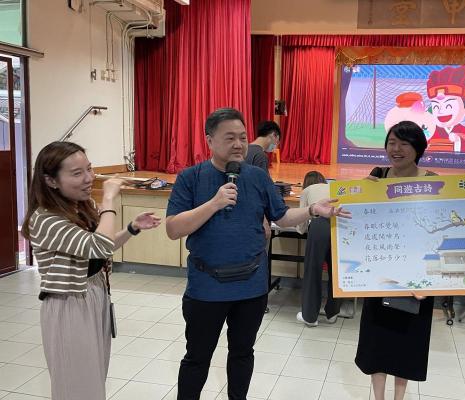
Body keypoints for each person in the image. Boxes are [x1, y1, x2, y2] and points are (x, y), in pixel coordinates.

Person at [165, 108, 350, 400]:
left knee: (242, 353)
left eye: (242, 137)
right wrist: (213, 203)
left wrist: (313, 209)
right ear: (209, 140)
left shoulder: (257, 177)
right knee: (197, 357)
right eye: (230, 138)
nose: (239, 144)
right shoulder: (191, 177)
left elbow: (282, 216)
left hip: (251, 286)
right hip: (206, 287)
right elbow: (173, 228)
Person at [21, 141, 161, 400]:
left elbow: (98, 250)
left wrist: (132, 228)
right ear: (51, 180)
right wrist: (108, 199)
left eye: (89, 168)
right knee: (77, 386)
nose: (89, 178)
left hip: (95, 292)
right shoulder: (45, 218)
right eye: (77, 173)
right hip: (68, 302)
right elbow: (99, 245)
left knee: (94, 379)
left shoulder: (81, 206)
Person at [355, 121, 436, 400]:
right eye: (391, 143)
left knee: (407, 343)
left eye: (404, 143)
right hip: (380, 273)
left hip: (417, 277)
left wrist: (430, 279)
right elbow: (363, 220)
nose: (396, 149)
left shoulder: (432, 180)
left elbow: (437, 231)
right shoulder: (378, 175)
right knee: (377, 341)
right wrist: (362, 193)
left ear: (418, 148)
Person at [295, 171, 342, 327]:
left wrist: (300, 230)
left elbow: (301, 223)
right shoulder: (333, 187)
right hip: (339, 226)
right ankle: (332, 313)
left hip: (319, 225)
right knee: (336, 272)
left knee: (313, 271)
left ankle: (310, 317)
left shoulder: (307, 191)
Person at [426, 65, 465, 152]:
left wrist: (459, 141)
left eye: (449, 106)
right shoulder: (429, 132)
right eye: (436, 106)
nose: (440, 111)